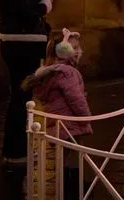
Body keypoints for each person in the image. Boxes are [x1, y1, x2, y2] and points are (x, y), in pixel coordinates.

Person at [0, 0, 55, 169]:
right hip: (21, 48)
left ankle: (15, 152)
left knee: (20, 100)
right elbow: (28, 14)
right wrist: (45, 5)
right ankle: (16, 153)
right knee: (20, 101)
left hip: (18, 47)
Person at [23, 29, 92, 199]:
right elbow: (76, 99)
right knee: (68, 160)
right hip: (68, 124)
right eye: (74, 48)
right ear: (63, 51)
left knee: (58, 161)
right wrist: (87, 118)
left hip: (56, 124)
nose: (79, 51)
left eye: (78, 47)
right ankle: (67, 191)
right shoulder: (68, 72)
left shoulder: (49, 70)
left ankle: (58, 188)